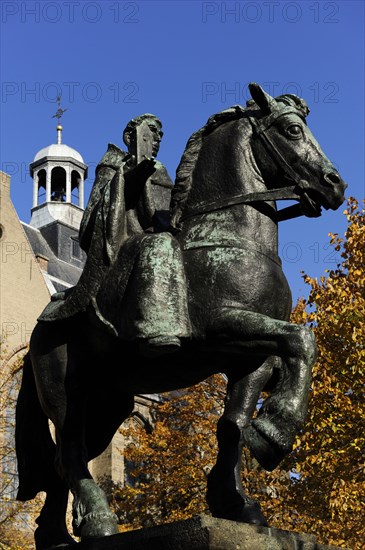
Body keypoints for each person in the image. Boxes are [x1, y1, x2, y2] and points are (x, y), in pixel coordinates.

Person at [38, 114, 191, 356]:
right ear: (131, 136)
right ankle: (157, 326)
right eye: (151, 131)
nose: (157, 139)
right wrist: (128, 181)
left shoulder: (160, 172)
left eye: (160, 135)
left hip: (156, 240)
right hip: (127, 246)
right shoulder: (112, 166)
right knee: (160, 245)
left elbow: (166, 216)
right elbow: (90, 222)